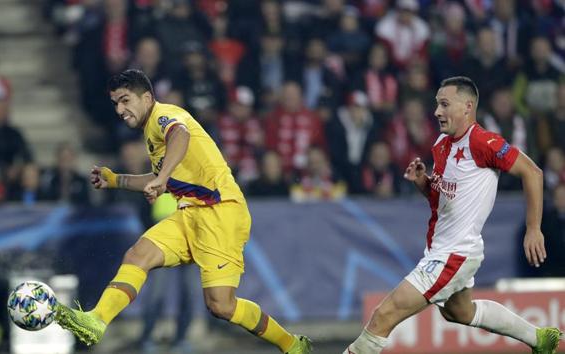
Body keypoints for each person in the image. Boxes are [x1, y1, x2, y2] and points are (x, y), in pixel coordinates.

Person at [54, 69, 312, 354]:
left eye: (125, 100)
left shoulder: (165, 116)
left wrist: (162, 177)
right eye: (115, 103)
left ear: (147, 97)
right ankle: (96, 320)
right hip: (190, 213)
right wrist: (115, 179)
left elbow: (181, 135)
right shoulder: (152, 134)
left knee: (221, 306)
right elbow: (158, 178)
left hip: (220, 212)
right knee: (137, 255)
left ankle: (292, 345)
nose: (120, 109)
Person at [343, 76, 562, 354]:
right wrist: (424, 182)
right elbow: (442, 200)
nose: (436, 112)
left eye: (444, 104)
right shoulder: (442, 144)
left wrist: (534, 228)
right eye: (436, 104)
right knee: (460, 312)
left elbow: (533, 172)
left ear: (467, 107)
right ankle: (541, 338)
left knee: (383, 316)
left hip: (454, 254)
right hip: (443, 248)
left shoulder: (484, 141)